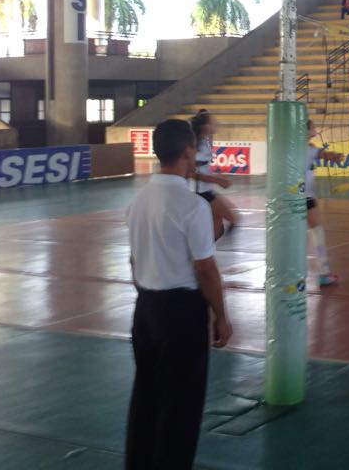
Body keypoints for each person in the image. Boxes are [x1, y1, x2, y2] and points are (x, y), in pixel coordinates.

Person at [125, 118, 232, 470]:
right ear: (188, 152)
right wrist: (221, 315)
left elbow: (133, 260)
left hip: (146, 310)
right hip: (181, 312)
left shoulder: (138, 201)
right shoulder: (192, 206)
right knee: (181, 403)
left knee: (146, 395)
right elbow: (205, 270)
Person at [304, 120, 344, 287]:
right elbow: (322, 154)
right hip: (299, 198)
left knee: (315, 232)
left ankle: (323, 272)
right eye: (313, 127)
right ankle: (322, 272)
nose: (316, 130)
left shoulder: (309, 148)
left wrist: (333, 155)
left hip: (306, 196)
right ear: (305, 130)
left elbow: (322, 153)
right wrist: (333, 156)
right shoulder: (304, 149)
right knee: (310, 234)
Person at [189, 110, 239, 240]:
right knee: (232, 218)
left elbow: (205, 166)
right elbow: (190, 173)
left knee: (217, 220)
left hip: (205, 189)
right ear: (204, 127)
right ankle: (201, 252)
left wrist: (218, 177)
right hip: (198, 192)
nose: (215, 125)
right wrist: (217, 180)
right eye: (211, 123)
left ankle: (206, 251)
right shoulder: (194, 145)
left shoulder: (205, 142)